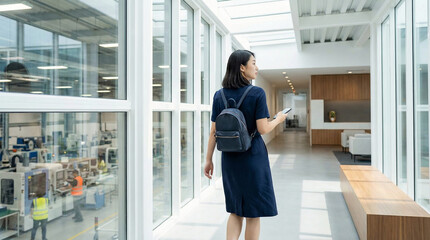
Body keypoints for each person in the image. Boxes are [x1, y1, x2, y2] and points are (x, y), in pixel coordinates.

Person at [204, 50, 288, 240]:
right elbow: (263, 128)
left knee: (235, 211)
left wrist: (208, 159)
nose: (256, 67)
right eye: (253, 63)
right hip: (253, 157)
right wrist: (279, 119)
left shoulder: (219, 95)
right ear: (242, 67)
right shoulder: (256, 93)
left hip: (230, 159)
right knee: (253, 213)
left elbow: (213, 132)